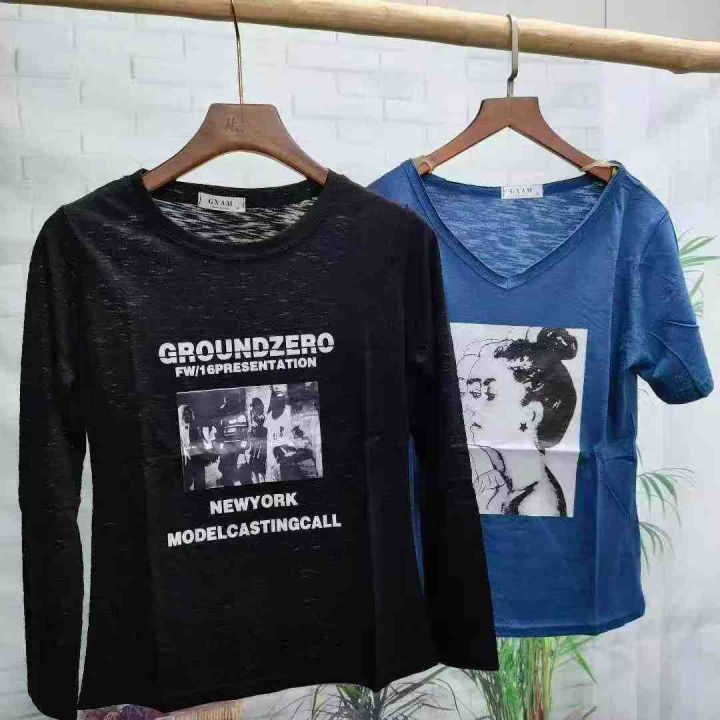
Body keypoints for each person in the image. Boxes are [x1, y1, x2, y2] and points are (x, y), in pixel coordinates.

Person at [458, 327, 578, 516]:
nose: (467, 405)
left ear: (531, 415)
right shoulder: (499, 488)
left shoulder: (534, 506)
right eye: (473, 393)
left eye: (489, 394)